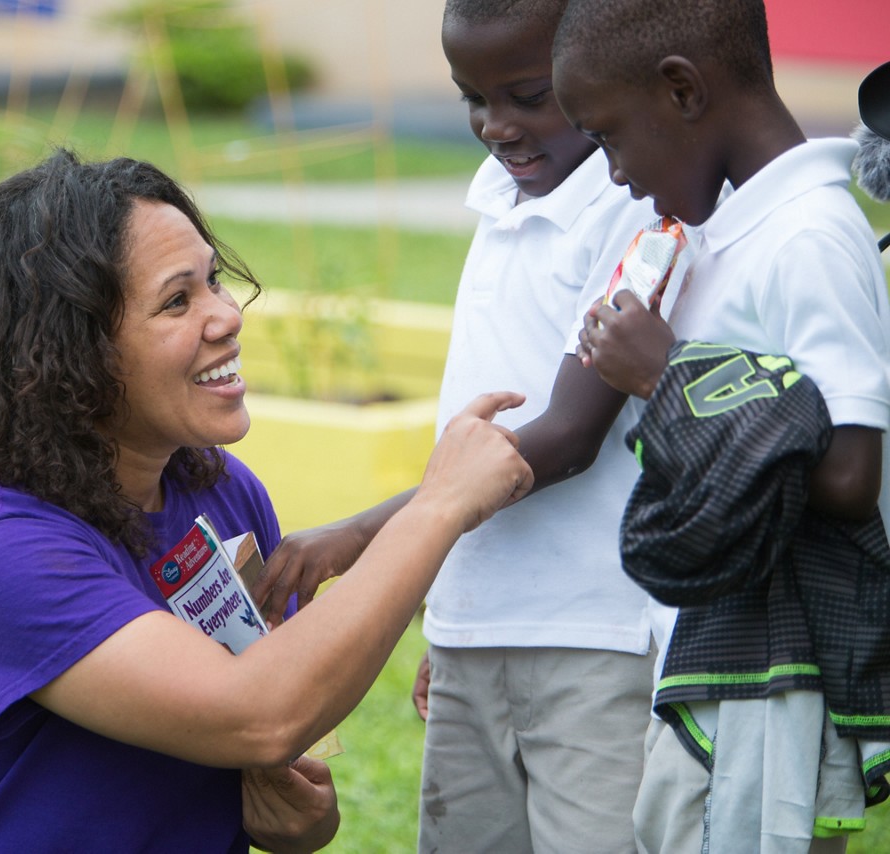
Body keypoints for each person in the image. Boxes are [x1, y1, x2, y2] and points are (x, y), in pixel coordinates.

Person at [0, 148, 533, 852]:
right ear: (68, 352)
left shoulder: (219, 491)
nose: (226, 316)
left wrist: (296, 817)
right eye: (176, 300)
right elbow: (258, 714)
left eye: (215, 282)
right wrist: (436, 508)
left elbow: (273, 744)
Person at [251, 2, 667, 850]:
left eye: (525, 95)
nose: (495, 125)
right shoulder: (500, 200)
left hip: (592, 638)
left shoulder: (630, 211)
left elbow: (563, 437)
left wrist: (360, 536)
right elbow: (474, 439)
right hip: (479, 629)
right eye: (471, 97)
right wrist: (456, 612)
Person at [554, 0, 890, 849]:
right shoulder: (734, 233)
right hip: (721, 658)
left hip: (777, 678)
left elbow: (852, 476)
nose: (617, 176)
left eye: (609, 138)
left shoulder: (809, 237)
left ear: (681, 90)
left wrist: (664, 375)